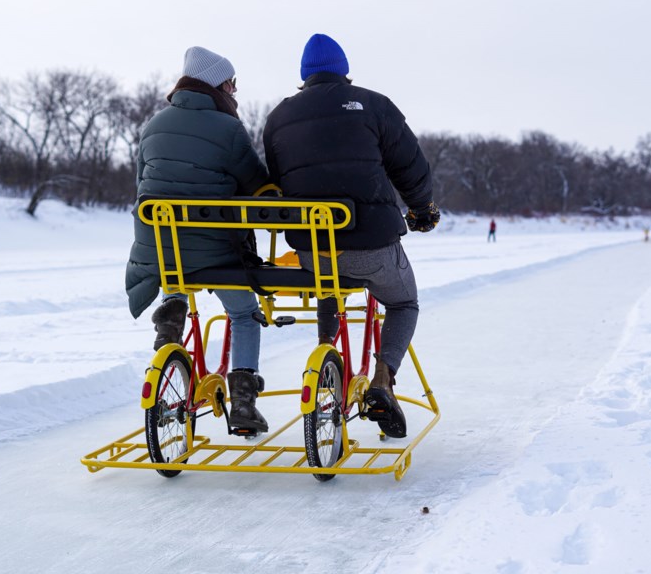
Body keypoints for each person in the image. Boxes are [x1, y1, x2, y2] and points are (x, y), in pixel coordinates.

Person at [263, 33, 438, 439]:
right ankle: (383, 377)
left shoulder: (278, 117)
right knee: (403, 302)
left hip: (311, 247)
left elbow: (278, 177)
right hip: (371, 244)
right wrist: (422, 210)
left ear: (304, 76)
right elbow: (410, 166)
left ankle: (327, 346)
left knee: (329, 281)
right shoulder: (373, 104)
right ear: (344, 70)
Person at [125, 46, 270, 434]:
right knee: (242, 313)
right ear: (220, 84)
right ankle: (243, 403)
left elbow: (142, 185)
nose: (235, 91)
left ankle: (171, 312)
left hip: (159, 248)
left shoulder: (152, 125)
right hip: (216, 251)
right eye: (232, 83)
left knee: (177, 270)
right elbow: (257, 184)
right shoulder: (228, 128)